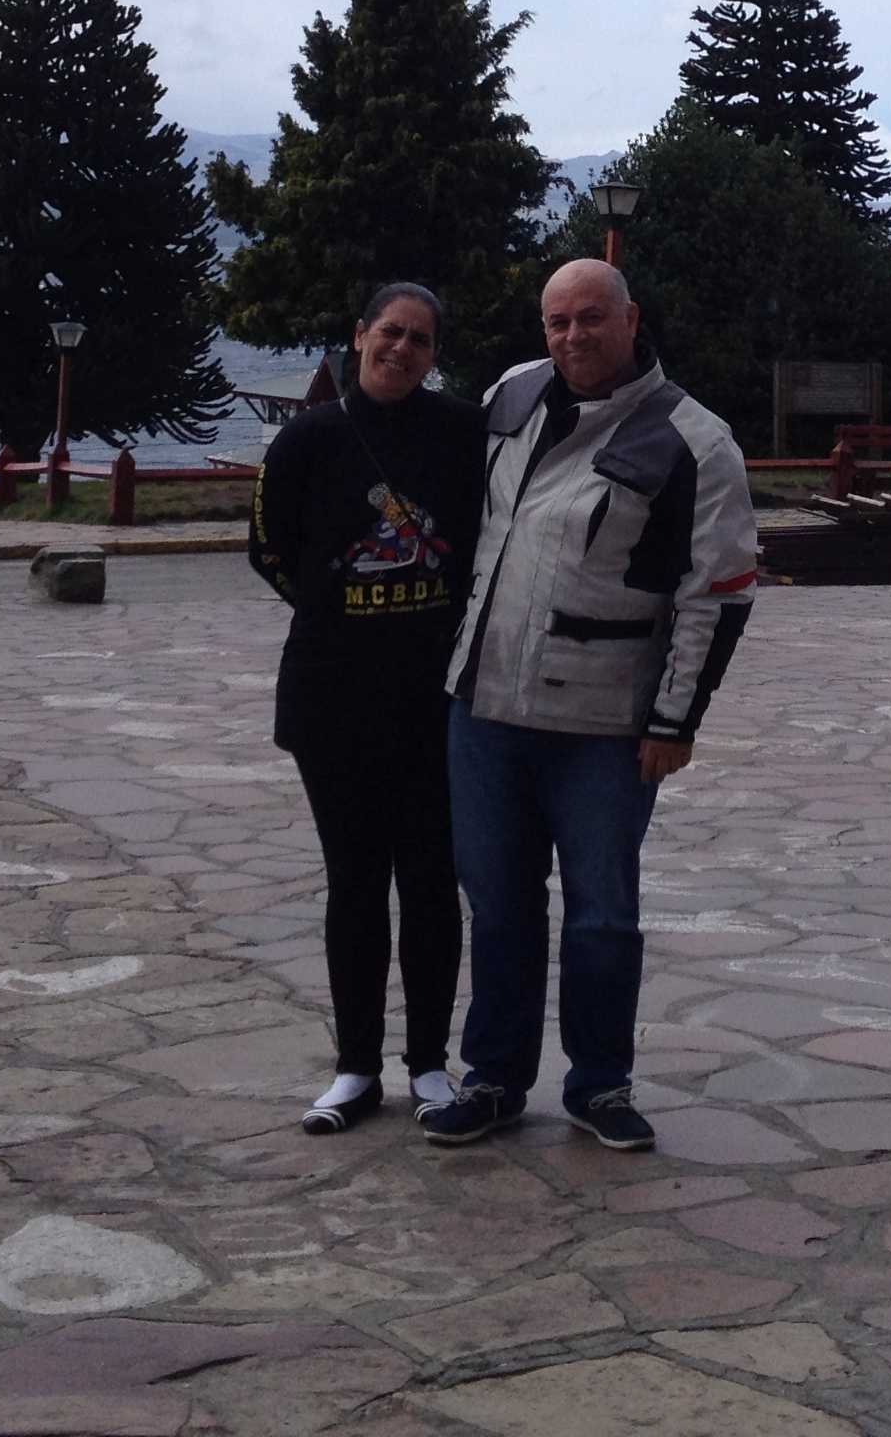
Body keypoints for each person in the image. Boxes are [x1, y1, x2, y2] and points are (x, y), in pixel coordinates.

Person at [423, 258, 759, 1152]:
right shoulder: (510, 396)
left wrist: (674, 721)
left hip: (606, 726)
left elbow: (717, 591)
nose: (574, 337)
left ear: (630, 319)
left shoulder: (695, 440)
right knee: (496, 903)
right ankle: (494, 1076)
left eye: (591, 319)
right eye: (557, 321)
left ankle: (601, 1084)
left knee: (603, 912)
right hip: (485, 707)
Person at [250, 283, 486, 1135]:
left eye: (421, 339)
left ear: (434, 353)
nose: (403, 349)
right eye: (390, 332)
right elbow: (267, 547)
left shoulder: (463, 433)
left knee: (429, 883)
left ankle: (428, 1063)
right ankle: (355, 1068)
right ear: (359, 336)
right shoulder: (309, 437)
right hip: (333, 697)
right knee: (354, 883)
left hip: (437, 699)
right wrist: (336, 610)